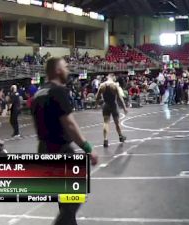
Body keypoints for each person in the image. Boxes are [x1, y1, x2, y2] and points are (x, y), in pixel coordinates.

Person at [32, 57, 98, 225]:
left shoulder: (39, 92)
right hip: (60, 150)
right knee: (73, 200)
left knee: (66, 201)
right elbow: (69, 123)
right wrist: (87, 148)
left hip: (43, 149)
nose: (68, 70)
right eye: (65, 67)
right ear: (57, 70)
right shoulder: (58, 91)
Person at [96, 73, 128, 148]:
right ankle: (120, 137)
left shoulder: (102, 85)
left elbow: (97, 97)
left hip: (106, 105)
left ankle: (105, 139)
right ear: (112, 77)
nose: (115, 79)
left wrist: (96, 105)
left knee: (106, 122)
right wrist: (124, 108)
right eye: (114, 78)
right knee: (117, 123)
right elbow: (120, 98)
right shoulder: (115, 85)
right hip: (113, 105)